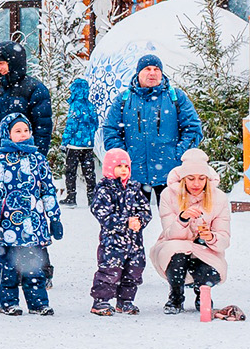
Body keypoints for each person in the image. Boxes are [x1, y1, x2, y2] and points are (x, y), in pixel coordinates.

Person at [0, 112, 64, 316]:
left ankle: (37, 303)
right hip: (9, 226)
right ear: (7, 134)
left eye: (26, 130)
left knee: (35, 267)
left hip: (34, 224)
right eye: (17, 131)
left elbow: (47, 190)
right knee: (9, 267)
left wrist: (54, 217)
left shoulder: (38, 159)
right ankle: (8, 302)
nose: (23, 134)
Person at [100, 54, 202, 204]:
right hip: (134, 175)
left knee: (175, 222)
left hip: (170, 173)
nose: (152, 73)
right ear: (138, 73)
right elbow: (110, 130)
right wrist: (124, 158)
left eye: (156, 69)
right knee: (132, 223)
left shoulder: (176, 97)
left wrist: (178, 155)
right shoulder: (124, 99)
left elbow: (193, 128)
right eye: (147, 69)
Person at [151, 148, 230, 313]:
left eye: (201, 178)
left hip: (205, 249)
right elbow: (170, 235)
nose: (196, 184)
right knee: (177, 253)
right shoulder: (168, 195)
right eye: (191, 178)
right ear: (183, 179)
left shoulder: (219, 198)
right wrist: (182, 219)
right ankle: (176, 295)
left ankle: (203, 293)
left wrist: (210, 237)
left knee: (208, 271)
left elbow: (224, 240)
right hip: (175, 247)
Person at [89, 148, 151, 315]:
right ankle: (101, 301)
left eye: (126, 166)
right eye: (119, 166)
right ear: (110, 167)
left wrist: (140, 220)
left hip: (134, 242)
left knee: (134, 270)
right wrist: (125, 222)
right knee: (110, 271)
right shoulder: (104, 189)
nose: (124, 170)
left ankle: (125, 300)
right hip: (113, 242)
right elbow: (102, 213)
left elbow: (146, 209)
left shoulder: (134, 188)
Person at [0, 40, 53, 167]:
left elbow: (42, 130)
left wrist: (37, 160)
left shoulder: (35, 89)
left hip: (25, 160)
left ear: (13, 62)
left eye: (2, 63)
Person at [59, 78, 99, 207]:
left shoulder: (75, 105)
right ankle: (91, 197)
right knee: (89, 172)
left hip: (74, 145)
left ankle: (71, 197)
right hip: (88, 145)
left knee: (71, 171)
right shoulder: (90, 105)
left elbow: (71, 125)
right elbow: (95, 123)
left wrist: (64, 141)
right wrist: (89, 137)